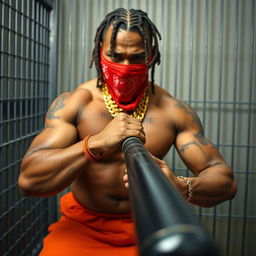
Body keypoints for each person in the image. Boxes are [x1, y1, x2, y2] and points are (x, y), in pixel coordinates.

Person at [18, 8, 237, 256]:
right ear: (100, 50)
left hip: (152, 227)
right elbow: (29, 180)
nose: (125, 67)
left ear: (151, 55)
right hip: (82, 227)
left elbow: (225, 182)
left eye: (137, 57)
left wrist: (181, 186)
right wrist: (95, 144)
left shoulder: (172, 110)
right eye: (115, 55)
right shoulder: (76, 103)